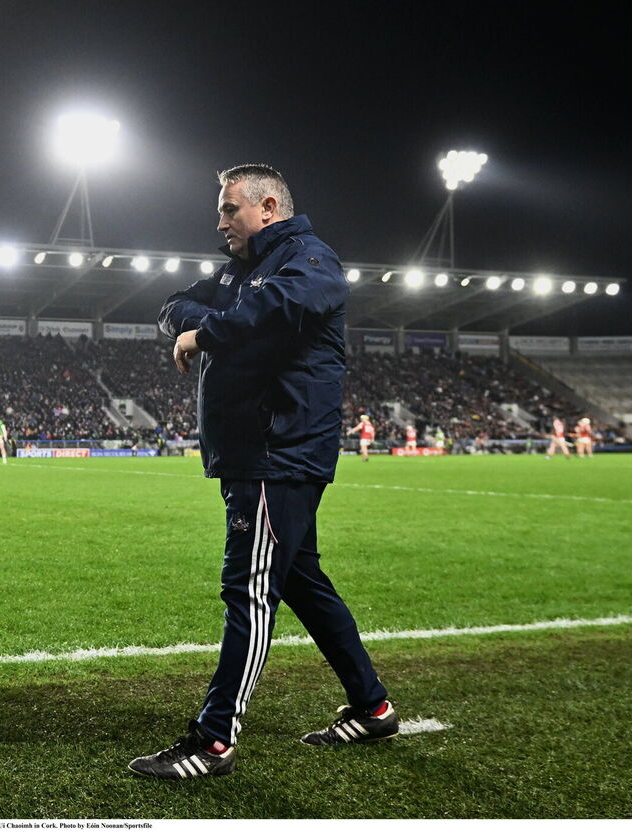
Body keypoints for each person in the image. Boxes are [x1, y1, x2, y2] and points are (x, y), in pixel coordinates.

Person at [132, 164, 395, 781]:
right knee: (303, 582)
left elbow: (277, 310)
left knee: (248, 588)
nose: (219, 221)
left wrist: (209, 330)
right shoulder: (240, 272)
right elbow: (174, 306)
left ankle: (214, 740)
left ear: (267, 206)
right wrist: (195, 323)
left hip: (280, 452)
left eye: (229, 209)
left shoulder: (310, 260)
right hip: (254, 451)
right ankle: (373, 706)